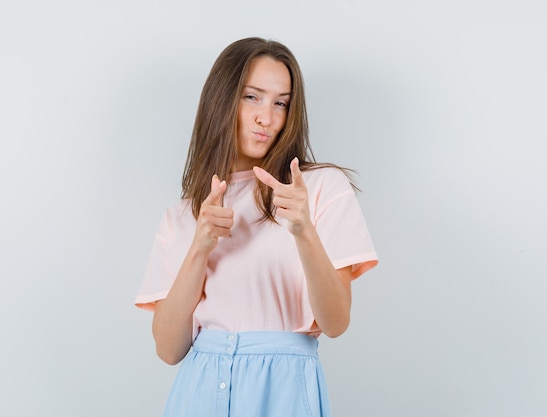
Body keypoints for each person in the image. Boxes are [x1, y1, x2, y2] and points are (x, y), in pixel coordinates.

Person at [135, 37, 378, 417]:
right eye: (252, 97)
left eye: (281, 102)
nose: (269, 117)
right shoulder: (184, 214)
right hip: (198, 390)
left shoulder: (318, 188)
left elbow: (335, 322)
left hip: (282, 391)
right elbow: (169, 349)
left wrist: (303, 229)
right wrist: (200, 246)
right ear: (222, 100)